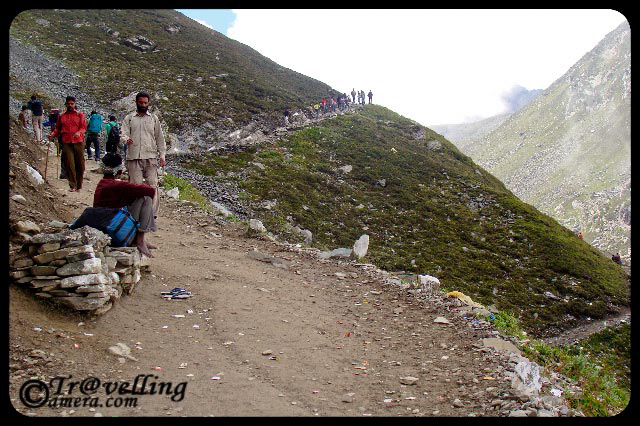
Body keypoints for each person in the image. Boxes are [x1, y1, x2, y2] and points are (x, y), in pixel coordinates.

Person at [93, 152, 157, 257]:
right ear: (119, 170)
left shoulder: (103, 183)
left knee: (141, 198)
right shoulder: (116, 185)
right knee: (146, 199)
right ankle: (139, 239)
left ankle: (140, 239)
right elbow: (150, 191)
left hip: (105, 223)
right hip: (113, 229)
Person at [120, 91, 166, 218]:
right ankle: (135, 213)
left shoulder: (153, 119)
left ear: (148, 103)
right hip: (133, 157)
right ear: (136, 102)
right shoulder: (129, 118)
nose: (143, 105)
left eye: (145, 103)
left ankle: (152, 213)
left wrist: (162, 155)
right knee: (135, 185)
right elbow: (123, 133)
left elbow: (159, 138)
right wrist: (126, 139)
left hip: (150, 157)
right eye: (141, 102)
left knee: (152, 184)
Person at [48, 96, 86, 192]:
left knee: (80, 164)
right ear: (66, 104)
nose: (70, 105)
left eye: (72, 104)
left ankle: (79, 185)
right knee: (69, 163)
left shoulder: (80, 115)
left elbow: (83, 127)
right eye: (68, 104)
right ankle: (72, 185)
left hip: (79, 142)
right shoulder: (62, 116)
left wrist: (79, 132)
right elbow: (58, 128)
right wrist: (53, 134)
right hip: (66, 142)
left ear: (75, 104)